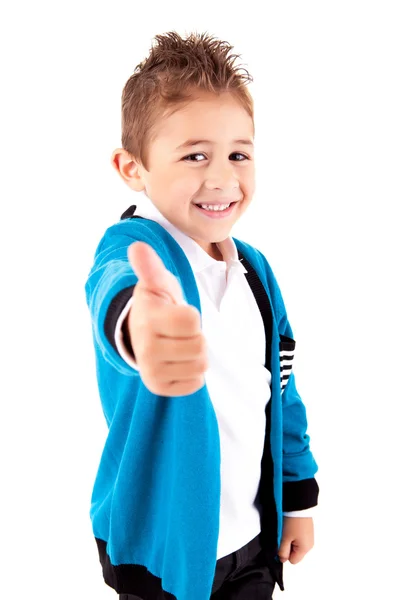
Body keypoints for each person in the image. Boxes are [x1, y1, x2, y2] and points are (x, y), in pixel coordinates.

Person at [85, 31, 319, 600]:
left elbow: (281, 390)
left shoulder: (257, 274)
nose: (221, 179)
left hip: (253, 541)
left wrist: (298, 498)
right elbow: (115, 295)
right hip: (164, 547)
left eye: (238, 154)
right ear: (132, 167)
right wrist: (140, 327)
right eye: (195, 155)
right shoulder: (134, 251)